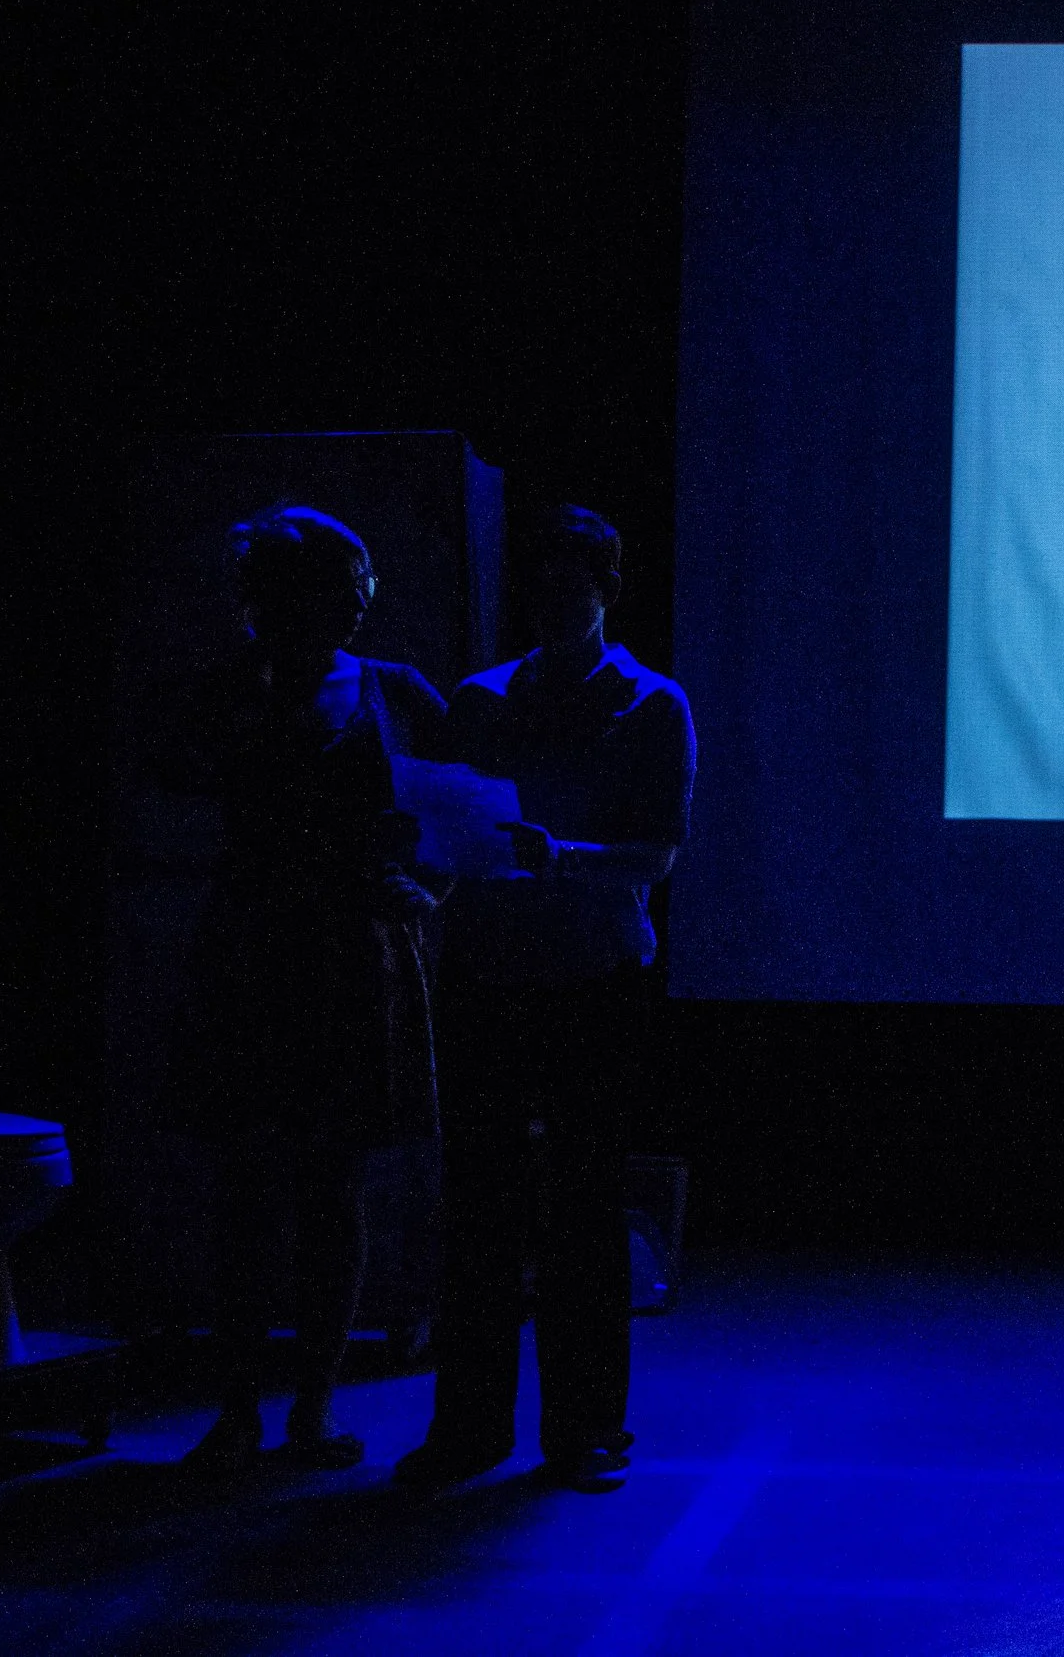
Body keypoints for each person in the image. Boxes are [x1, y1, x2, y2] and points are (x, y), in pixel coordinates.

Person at [399, 506, 695, 1492]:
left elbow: (656, 854)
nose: (560, 604)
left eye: (579, 586)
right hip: (485, 970)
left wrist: (556, 857)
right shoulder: (478, 699)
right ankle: (469, 1425)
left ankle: (584, 1431)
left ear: (609, 590)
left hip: (591, 978)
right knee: (477, 1204)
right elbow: (441, 823)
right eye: (546, 588)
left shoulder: (652, 704)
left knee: (581, 1207)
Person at [161, 507, 447, 1472]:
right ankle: (241, 1407)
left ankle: (311, 1408)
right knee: (247, 1189)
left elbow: (461, 809)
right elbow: (175, 769)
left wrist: (431, 885)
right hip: (253, 956)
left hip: (349, 955)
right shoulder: (228, 689)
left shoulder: (398, 693)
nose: (354, 603)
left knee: (331, 1188)